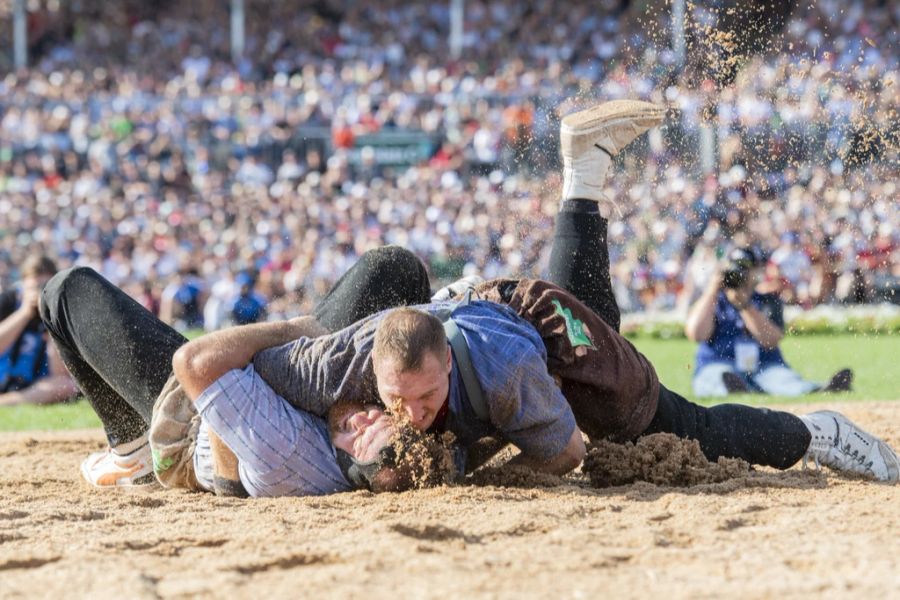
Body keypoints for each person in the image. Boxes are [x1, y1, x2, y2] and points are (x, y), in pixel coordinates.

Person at [251, 100, 898, 485]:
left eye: (422, 400)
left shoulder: (504, 377)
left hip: (531, 327)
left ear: (443, 366)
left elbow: (564, 455)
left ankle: (818, 433)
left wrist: (485, 453)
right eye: (395, 404)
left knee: (647, 426)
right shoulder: (339, 365)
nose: (406, 415)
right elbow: (242, 369)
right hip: (469, 311)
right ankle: (584, 174)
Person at [39, 246, 432, 496]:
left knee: (63, 291)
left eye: (358, 433)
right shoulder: (385, 427)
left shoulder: (286, 452)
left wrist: (298, 331)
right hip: (296, 378)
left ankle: (132, 444)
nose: (362, 419)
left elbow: (198, 365)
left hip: (191, 421)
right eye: (382, 413)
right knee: (394, 266)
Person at [685, 246, 853, 397]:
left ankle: (819, 390)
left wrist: (744, 306)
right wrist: (712, 289)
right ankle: (736, 389)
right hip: (719, 363)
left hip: (763, 365)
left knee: (781, 379)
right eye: (735, 268)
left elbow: (771, 339)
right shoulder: (713, 301)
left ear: (756, 273)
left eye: (745, 269)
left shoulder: (767, 301)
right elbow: (696, 333)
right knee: (718, 377)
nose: (739, 274)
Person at [0, 254, 77, 406]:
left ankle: (6, 403)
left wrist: (50, 320)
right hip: (4, 376)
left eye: (44, 289)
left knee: (66, 386)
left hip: (36, 385)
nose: (38, 294)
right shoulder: (8, 301)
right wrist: (24, 312)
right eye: (33, 288)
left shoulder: (60, 311)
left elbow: (59, 374)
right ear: (22, 285)